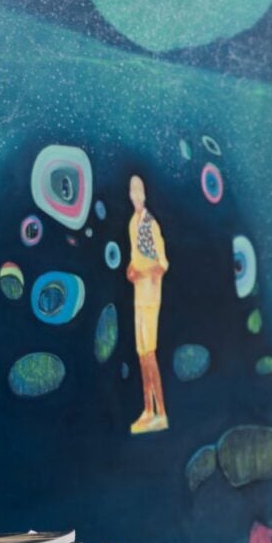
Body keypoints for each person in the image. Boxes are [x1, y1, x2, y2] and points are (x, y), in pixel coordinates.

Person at [125, 175, 169, 434]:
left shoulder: (150, 225)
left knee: (150, 354)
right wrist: (131, 270)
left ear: (144, 194)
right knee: (141, 355)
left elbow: (162, 263)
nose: (135, 196)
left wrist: (142, 274)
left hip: (151, 296)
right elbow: (136, 258)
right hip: (138, 297)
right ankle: (148, 409)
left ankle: (161, 412)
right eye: (132, 191)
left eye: (139, 191)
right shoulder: (133, 223)